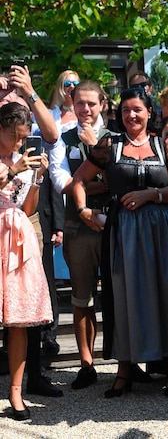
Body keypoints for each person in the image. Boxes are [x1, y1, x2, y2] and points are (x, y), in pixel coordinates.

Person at [71, 87, 168, 399]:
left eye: (137, 109)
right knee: (124, 296)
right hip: (123, 233)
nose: (131, 115)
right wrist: (84, 211)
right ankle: (124, 369)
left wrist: (149, 195)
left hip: (163, 230)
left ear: (149, 112)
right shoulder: (109, 145)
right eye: (126, 110)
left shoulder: (164, 141)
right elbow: (78, 181)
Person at [46, 81, 117, 391]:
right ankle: (86, 364)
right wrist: (92, 182)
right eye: (80, 104)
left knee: (117, 295)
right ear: (72, 104)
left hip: (113, 224)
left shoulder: (116, 136)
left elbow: (120, 182)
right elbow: (61, 180)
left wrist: (86, 177)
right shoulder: (63, 138)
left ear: (101, 104)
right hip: (77, 228)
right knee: (80, 297)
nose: (85, 109)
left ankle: (123, 362)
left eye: (91, 103)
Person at [0, 102, 53, 421]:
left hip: (17, 234)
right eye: (15, 137)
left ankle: (16, 394)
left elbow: (29, 206)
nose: (20, 143)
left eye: (23, 138)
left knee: (18, 320)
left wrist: (36, 178)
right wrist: (11, 173)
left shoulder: (23, 160)